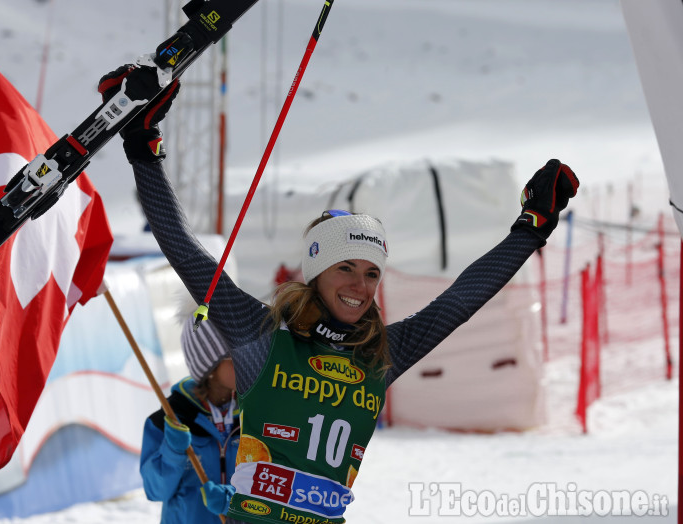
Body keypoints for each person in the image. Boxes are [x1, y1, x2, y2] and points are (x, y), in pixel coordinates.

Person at [99, 65, 579, 523]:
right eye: (345, 267)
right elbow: (186, 252)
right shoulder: (261, 336)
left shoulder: (382, 355)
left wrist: (531, 228)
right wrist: (143, 145)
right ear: (315, 272)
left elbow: (460, 301)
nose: (359, 285)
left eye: (372, 273)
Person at [140, 316, 239, 524]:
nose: (243, 361)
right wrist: (173, 452)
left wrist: (236, 502)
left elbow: (272, 487)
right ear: (209, 367)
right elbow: (155, 490)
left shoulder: (258, 416)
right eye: (233, 354)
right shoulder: (168, 418)